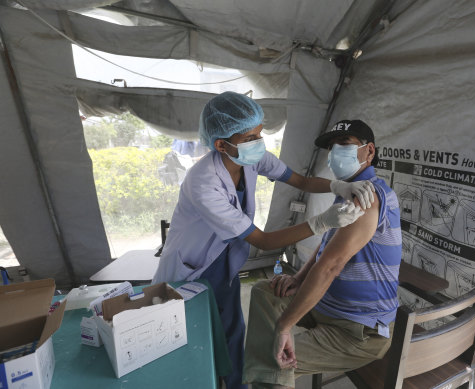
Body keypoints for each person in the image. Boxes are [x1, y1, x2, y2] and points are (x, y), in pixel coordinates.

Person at [152, 93, 376, 389]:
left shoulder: (250, 157)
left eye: (260, 132)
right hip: (192, 265)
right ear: (221, 144)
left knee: (232, 329)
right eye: (251, 136)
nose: (259, 141)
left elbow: (300, 181)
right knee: (192, 335)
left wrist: (340, 186)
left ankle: (236, 385)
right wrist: (322, 222)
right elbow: (265, 241)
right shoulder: (203, 181)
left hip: (225, 259)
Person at [242, 120, 402, 388]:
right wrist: (299, 278)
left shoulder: (368, 196)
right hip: (330, 307)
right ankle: (266, 358)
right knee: (263, 292)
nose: (335, 152)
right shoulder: (349, 190)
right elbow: (329, 243)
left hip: (358, 329)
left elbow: (331, 265)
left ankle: (268, 366)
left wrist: (284, 326)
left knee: (269, 362)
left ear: (369, 151)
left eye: (345, 144)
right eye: (332, 146)